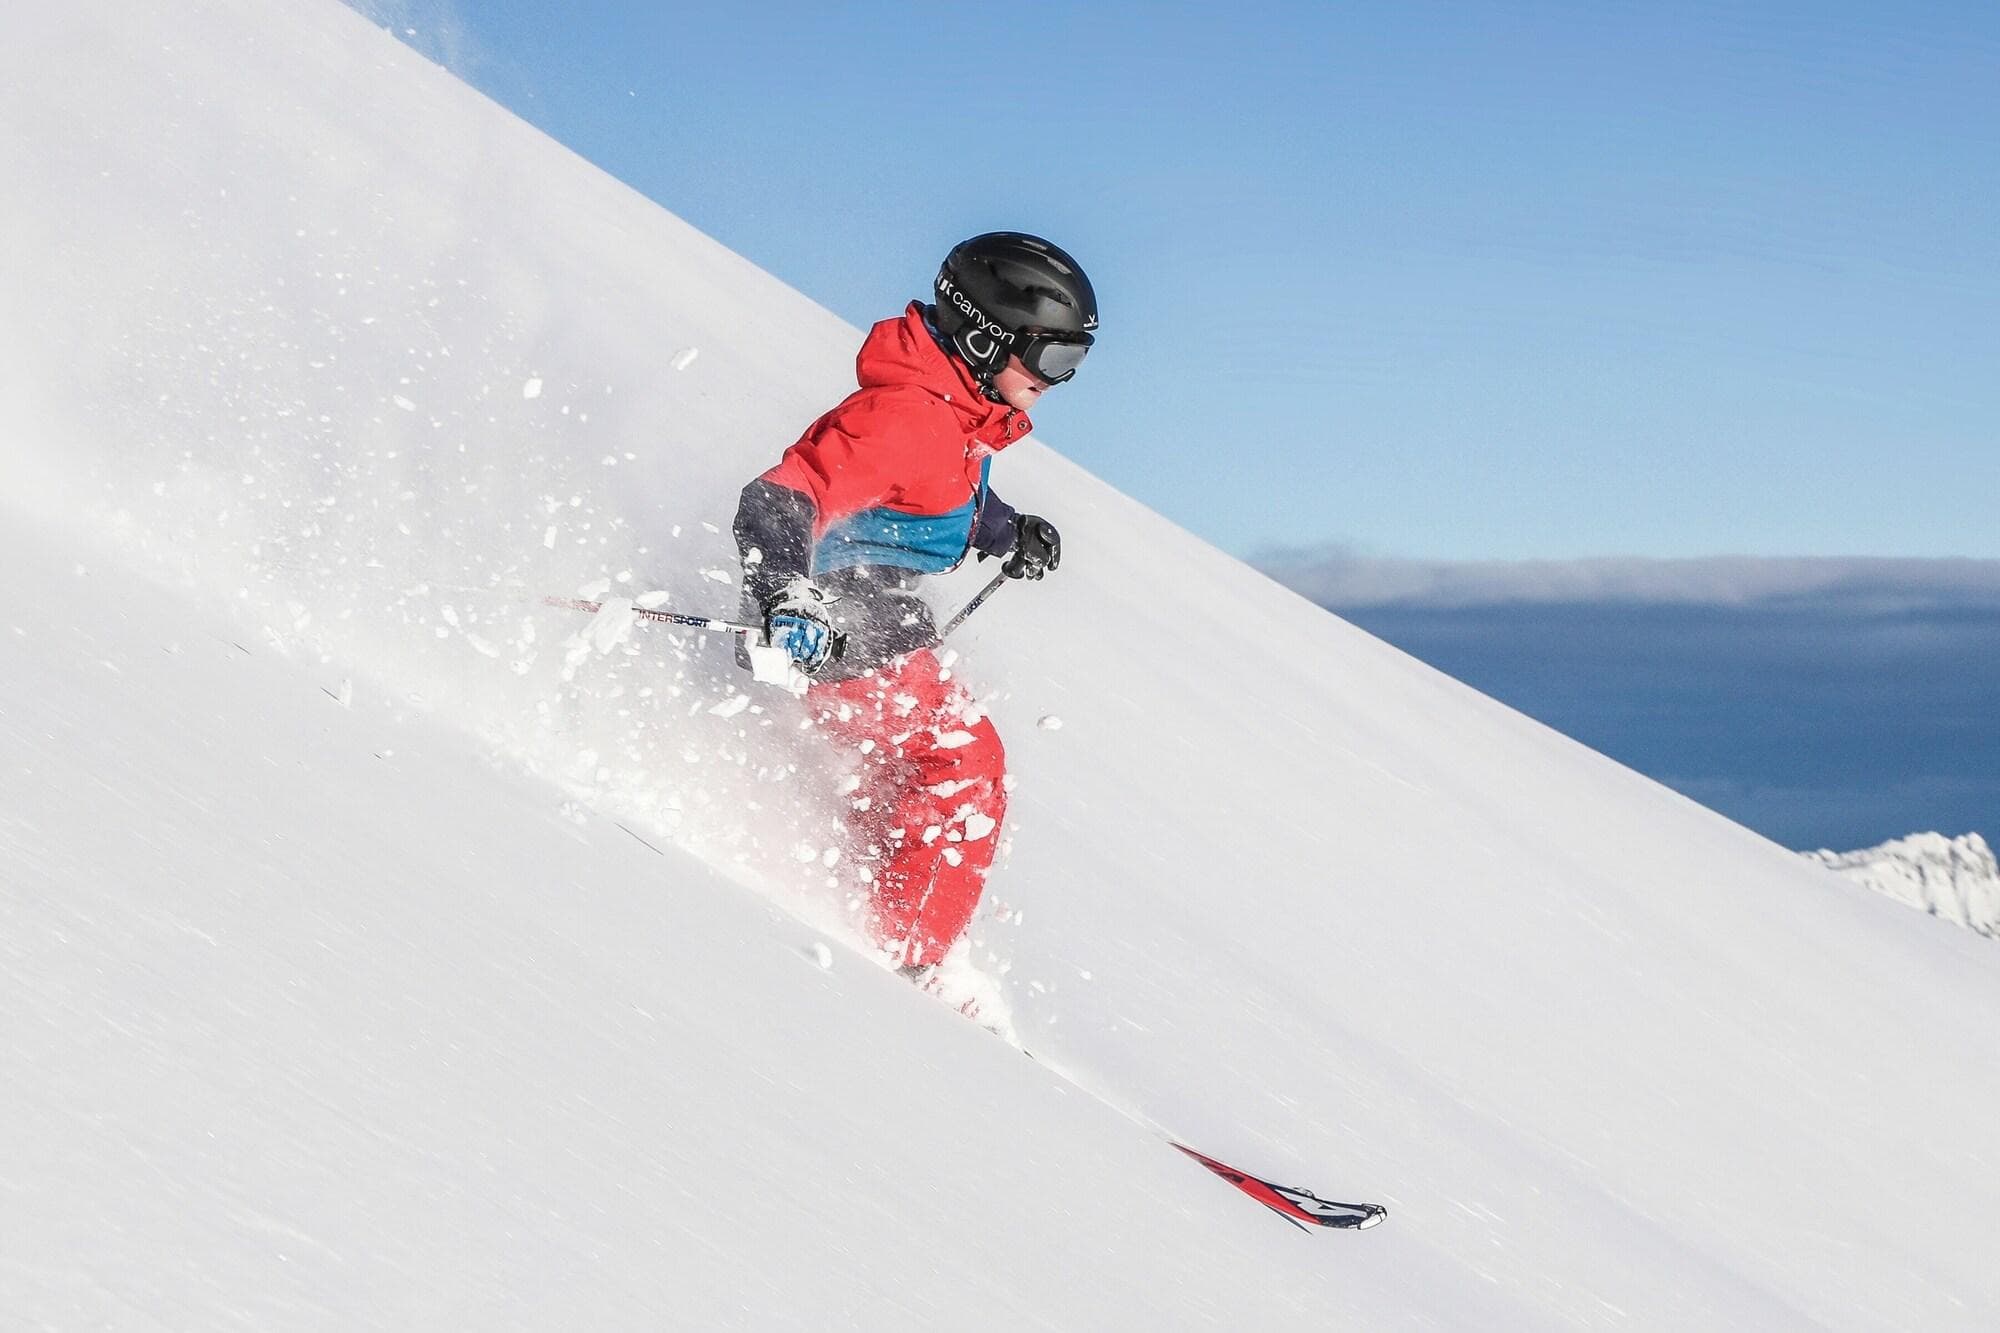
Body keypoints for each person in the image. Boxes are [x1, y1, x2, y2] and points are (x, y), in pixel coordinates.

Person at [731, 231, 1097, 975]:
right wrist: (787, 596)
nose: (1058, 381)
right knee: (962, 766)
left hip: (877, 630)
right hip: (835, 633)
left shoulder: (954, 414)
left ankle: (863, 905)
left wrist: (1006, 529)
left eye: (1075, 362)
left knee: (904, 774)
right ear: (988, 335)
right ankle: (903, 961)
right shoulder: (907, 416)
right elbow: (777, 497)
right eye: (1054, 358)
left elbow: (941, 494)